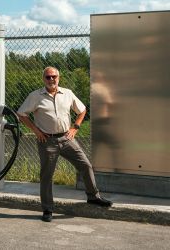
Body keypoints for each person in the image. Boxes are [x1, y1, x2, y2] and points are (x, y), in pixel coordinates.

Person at [17, 66, 112, 223]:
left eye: (54, 76)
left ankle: (93, 197)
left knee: (85, 165)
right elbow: (21, 114)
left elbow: (82, 110)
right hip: (47, 141)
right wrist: (36, 130)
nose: (51, 79)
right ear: (43, 79)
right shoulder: (35, 96)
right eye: (48, 77)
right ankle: (47, 209)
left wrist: (75, 127)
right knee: (46, 176)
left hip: (67, 139)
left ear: (59, 78)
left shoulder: (67, 93)